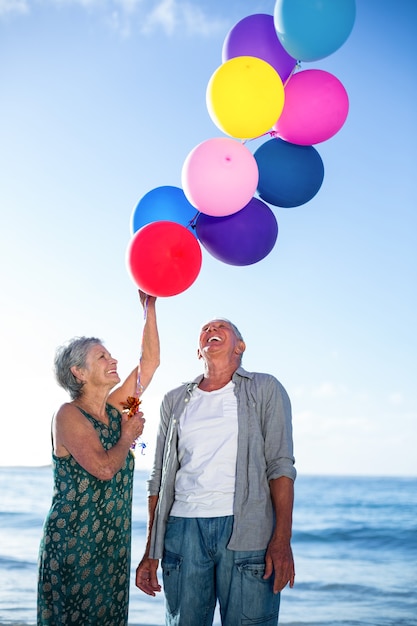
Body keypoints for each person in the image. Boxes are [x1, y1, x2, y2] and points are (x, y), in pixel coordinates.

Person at [136, 318, 296, 626]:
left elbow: (280, 466)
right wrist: (151, 550)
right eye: (205, 329)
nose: (211, 330)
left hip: (248, 532)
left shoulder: (265, 388)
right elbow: (159, 477)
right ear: (199, 352)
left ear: (240, 346)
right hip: (182, 532)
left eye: (220, 327)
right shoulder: (174, 400)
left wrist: (281, 539)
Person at [37, 291, 160, 626]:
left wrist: (149, 307)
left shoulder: (115, 406)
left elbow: (149, 364)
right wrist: (127, 437)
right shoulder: (68, 415)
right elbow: (105, 468)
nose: (113, 361)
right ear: (78, 372)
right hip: (75, 547)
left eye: (110, 355)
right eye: (102, 357)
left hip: (112, 544)